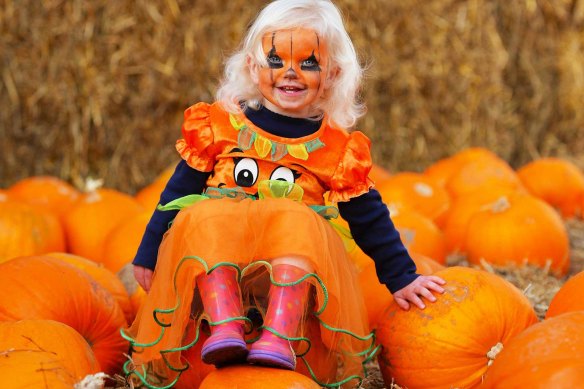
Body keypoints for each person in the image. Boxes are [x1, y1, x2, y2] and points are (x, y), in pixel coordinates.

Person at [122, 0, 446, 387]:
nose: (290, 73)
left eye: (309, 62)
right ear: (252, 67)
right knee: (203, 212)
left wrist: (402, 276)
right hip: (220, 263)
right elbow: (179, 189)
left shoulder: (334, 150)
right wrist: (150, 248)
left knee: (297, 218)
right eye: (275, 60)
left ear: (333, 73)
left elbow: (368, 217)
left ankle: (280, 335)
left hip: (289, 275)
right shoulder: (222, 126)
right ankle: (225, 327)